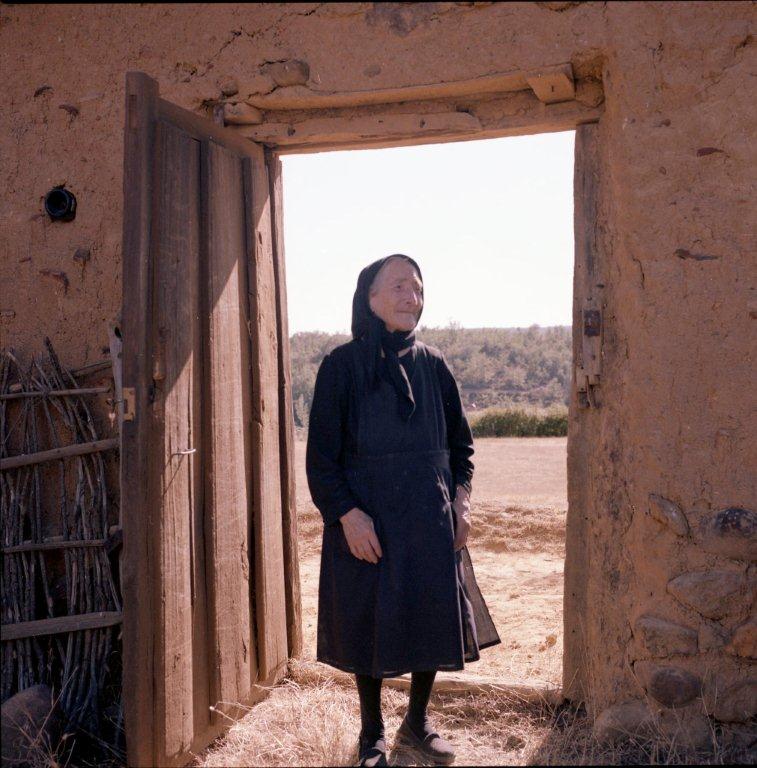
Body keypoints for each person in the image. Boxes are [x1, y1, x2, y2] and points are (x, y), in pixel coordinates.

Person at [306, 254, 501, 767]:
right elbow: (321, 460)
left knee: (429, 614)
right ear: (369, 298)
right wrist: (347, 515)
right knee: (368, 616)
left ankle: (417, 723)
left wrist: (461, 500)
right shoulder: (341, 367)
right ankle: (371, 732)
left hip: (429, 518)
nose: (411, 297)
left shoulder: (434, 364)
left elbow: (462, 447)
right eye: (397, 286)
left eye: (417, 288)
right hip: (369, 520)